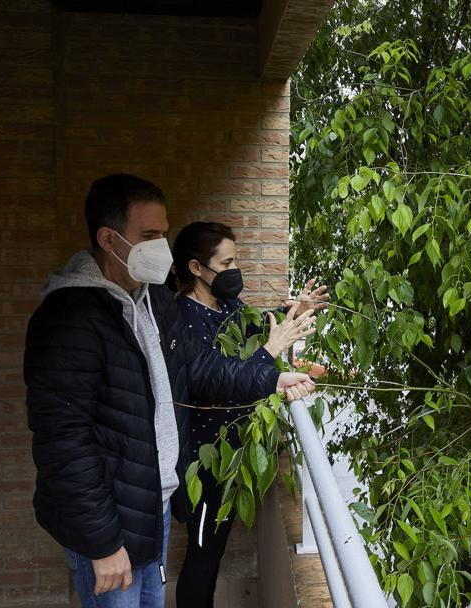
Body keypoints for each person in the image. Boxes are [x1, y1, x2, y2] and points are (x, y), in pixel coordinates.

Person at [23, 175, 316, 608]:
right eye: (149, 236)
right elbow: (63, 443)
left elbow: (199, 372)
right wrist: (102, 544)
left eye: (164, 233)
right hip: (110, 524)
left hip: (152, 505)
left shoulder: (153, 301)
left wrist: (271, 379)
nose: (162, 247)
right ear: (109, 238)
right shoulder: (70, 320)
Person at [170, 221, 327, 607]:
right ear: (196, 268)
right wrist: (270, 352)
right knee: (203, 556)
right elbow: (210, 378)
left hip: (229, 456)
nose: (234, 270)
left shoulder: (225, 306)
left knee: (215, 550)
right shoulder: (181, 317)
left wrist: (292, 310)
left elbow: (253, 330)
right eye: (227, 263)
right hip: (203, 461)